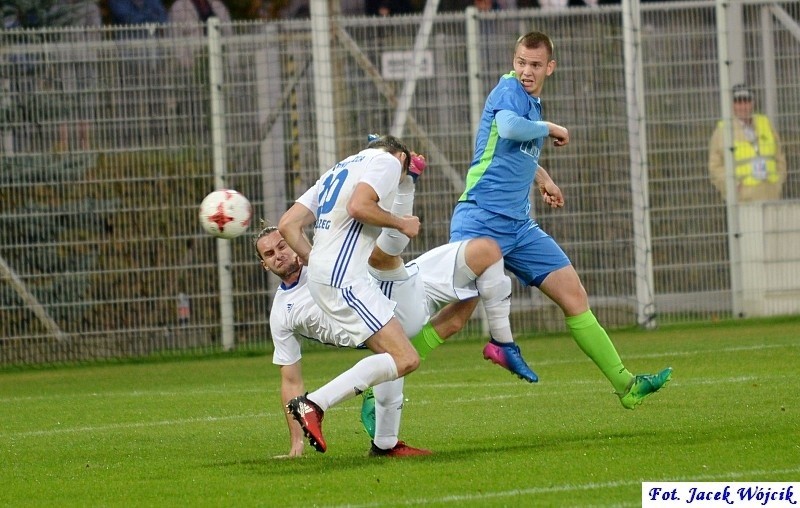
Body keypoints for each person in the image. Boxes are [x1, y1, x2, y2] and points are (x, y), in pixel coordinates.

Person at [449, 31, 673, 410]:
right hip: (480, 219)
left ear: (549, 67)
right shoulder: (508, 91)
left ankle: (627, 384)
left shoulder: (532, 104)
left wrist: (544, 178)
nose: (525, 71)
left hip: (518, 228)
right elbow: (508, 129)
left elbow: (513, 151)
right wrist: (552, 128)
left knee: (574, 295)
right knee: (454, 317)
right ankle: (381, 378)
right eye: (520, 61)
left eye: (535, 65)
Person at [278, 135, 422, 454]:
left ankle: (384, 443)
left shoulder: (337, 169)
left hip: (326, 276)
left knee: (393, 356)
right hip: (344, 279)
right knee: (406, 357)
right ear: (400, 157)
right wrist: (400, 222)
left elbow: (288, 224)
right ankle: (314, 403)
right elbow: (359, 207)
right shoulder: (386, 162)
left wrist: (317, 262)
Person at [708, 84, 787, 203]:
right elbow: (714, 166)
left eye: (747, 101)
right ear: (733, 105)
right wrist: (731, 185)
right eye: (739, 102)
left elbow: (779, 156)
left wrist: (778, 182)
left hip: (770, 194)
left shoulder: (765, 123)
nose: (743, 106)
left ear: (753, 103)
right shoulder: (724, 130)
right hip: (744, 198)